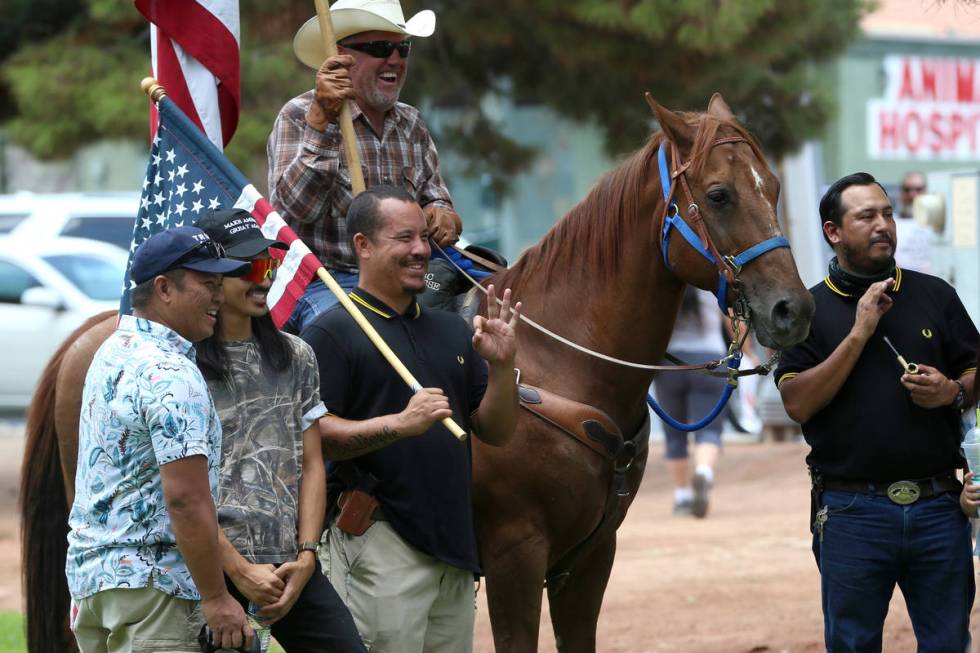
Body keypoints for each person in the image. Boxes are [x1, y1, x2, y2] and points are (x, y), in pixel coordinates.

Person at [300, 185, 520, 652]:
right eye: (404, 238)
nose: (422, 250)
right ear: (363, 246)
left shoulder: (452, 330)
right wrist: (399, 424)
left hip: (455, 550)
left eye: (424, 238)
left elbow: (497, 431)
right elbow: (315, 435)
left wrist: (502, 369)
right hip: (378, 547)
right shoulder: (333, 331)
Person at [776, 172, 978, 653]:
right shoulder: (810, 308)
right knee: (852, 644)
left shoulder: (935, 295)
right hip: (851, 514)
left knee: (949, 644)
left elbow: (976, 374)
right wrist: (859, 332)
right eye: (866, 216)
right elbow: (798, 403)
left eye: (886, 213)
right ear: (834, 232)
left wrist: (952, 390)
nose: (883, 224)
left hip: (939, 508)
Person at [66, 227, 254, 652]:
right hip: (155, 589)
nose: (219, 297)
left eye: (220, 285)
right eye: (208, 284)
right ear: (165, 288)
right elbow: (185, 500)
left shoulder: (112, 350)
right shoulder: (171, 374)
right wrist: (215, 597)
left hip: (94, 582)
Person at [194, 209, 366, 652]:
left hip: (290, 565)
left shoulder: (297, 356)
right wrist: (237, 571)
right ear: (213, 276)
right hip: (212, 569)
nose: (264, 279)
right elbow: (179, 491)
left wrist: (307, 556)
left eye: (268, 265)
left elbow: (312, 463)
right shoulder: (184, 365)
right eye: (249, 268)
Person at [269, 0, 462, 332]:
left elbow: (435, 196)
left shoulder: (411, 122)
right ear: (341, 56)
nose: (396, 60)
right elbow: (295, 212)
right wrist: (322, 123)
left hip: (405, 274)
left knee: (481, 318)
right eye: (380, 48)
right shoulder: (299, 115)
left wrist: (442, 212)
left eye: (403, 48)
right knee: (358, 334)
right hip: (325, 279)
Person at [653, 286, 729, 518]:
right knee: (709, 429)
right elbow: (733, 321)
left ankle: (682, 495)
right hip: (711, 359)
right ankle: (704, 471)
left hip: (670, 363)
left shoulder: (666, 291)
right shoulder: (710, 287)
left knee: (674, 432)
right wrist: (747, 351)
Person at [893, 171, 933, 273]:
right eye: (907, 190)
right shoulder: (891, 223)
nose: (912, 194)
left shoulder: (936, 223)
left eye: (918, 189)